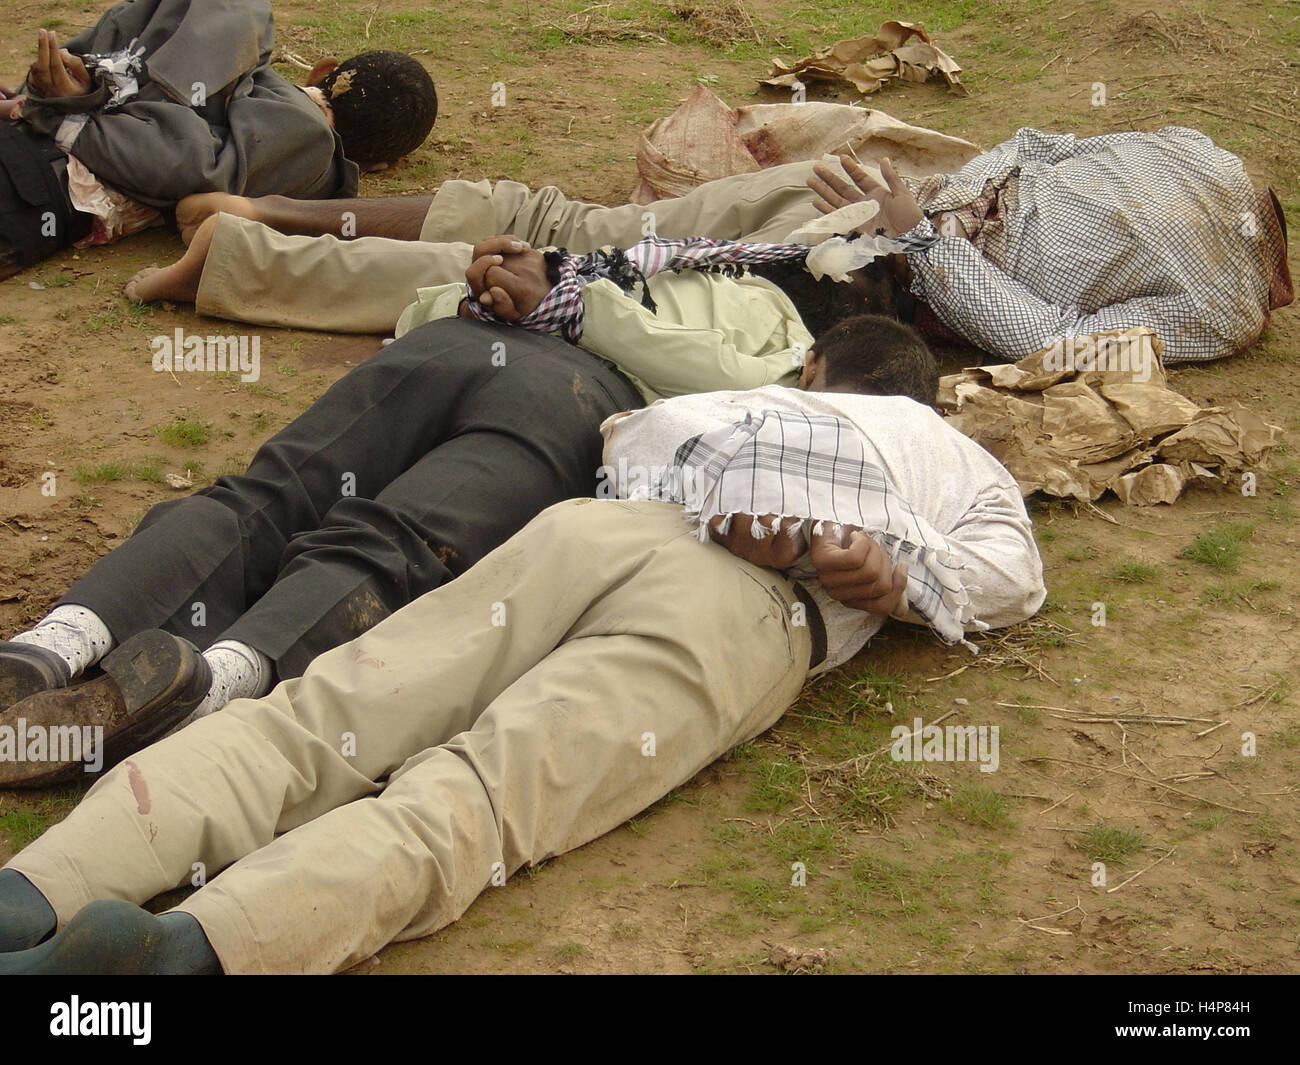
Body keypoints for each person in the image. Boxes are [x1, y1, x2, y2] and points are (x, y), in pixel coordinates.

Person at [0, 322, 1045, 975]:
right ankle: (181, 959)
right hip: (746, 620)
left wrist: (735, 505)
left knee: (317, 721)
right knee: (475, 803)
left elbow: (633, 440)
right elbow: (1009, 580)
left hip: (594, 537)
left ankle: (36, 890)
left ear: (816, 368)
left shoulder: (756, 402)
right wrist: (893, 580)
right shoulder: (959, 462)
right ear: (928, 406)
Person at [0, 231, 897, 784]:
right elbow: (724, 384)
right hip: (572, 402)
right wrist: (570, 310)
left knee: (261, 498)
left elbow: (436, 301)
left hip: (454, 343)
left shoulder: (636, 253)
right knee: (387, 545)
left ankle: (51, 645)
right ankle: (218, 685)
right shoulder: (781, 340)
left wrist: (502, 292)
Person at [133, 126, 1291, 364]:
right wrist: (924, 225)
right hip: (871, 244)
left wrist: (930, 216)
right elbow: (1060, 344)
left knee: (573, 240)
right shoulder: (1224, 296)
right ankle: (256, 247)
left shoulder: (1208, 159)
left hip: (880, 225)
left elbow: (1034, 152)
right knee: (579, 263)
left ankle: (267, 228)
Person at [0, 0, 438, 277]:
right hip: (35, 190)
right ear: (379, 166)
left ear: (322, 70)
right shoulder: (251, 88)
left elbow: (190, 170)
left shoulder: (302, 131)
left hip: (32, 172)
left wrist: (55, 113)